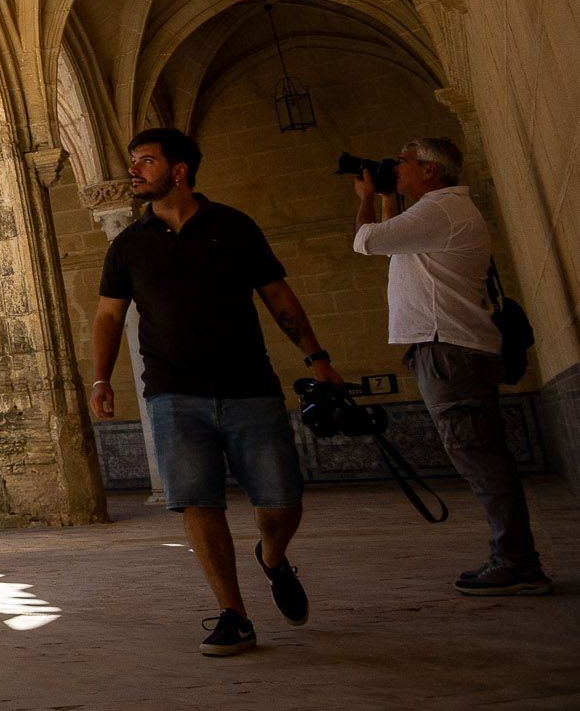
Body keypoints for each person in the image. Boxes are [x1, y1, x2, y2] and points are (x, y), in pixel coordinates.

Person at [91, 128, 338, 657]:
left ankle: (272, 556)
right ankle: (234, 613)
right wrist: (101, 378)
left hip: (250, 387)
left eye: (146, 161)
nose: (134, 170)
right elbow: (109, 315)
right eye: (134, 160)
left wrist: (317, 357)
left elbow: (277, 295)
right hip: (172, 394)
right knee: (198, 502)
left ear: (178, 170)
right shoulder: (127, 245)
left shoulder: (234, 226)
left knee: (282, 501)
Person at [352, 136, 553, 596]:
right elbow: (393, 246)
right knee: (480, 454)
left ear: (430, 170)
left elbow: (367, 241)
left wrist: (364, 199)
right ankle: (514, 559)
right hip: (451, 349)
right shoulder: (439, 212)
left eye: (402, 162)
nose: (396, 168)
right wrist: (387, 197)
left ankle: (518, 564)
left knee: (478, 456)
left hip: (449, 349)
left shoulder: (440, 208)